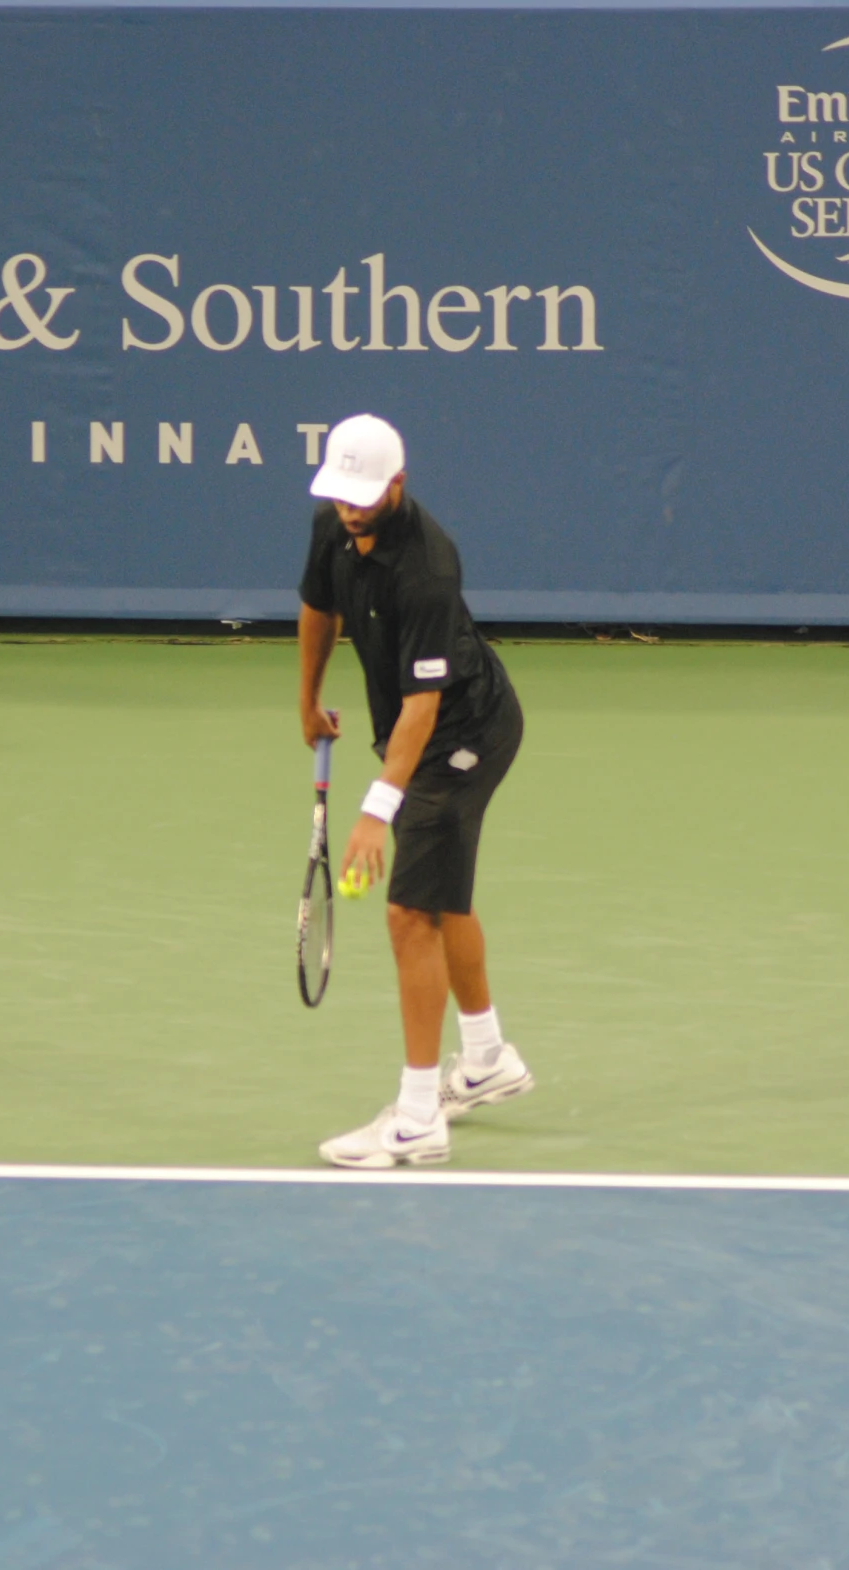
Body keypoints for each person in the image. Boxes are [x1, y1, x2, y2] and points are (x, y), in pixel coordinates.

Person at [297, 414, 535, 1168]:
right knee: (440, 899)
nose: (350, 508)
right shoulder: (331, 525)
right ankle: (488, 1059)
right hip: (414, 734)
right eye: (342, 494)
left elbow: (423, 709)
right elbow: (317, 608)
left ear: (397, 484)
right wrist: (306, 698)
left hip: (463, 736)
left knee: (407, 913)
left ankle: (415, 1118)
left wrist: (375, 809)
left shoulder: (428, 566)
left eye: (365, 496)